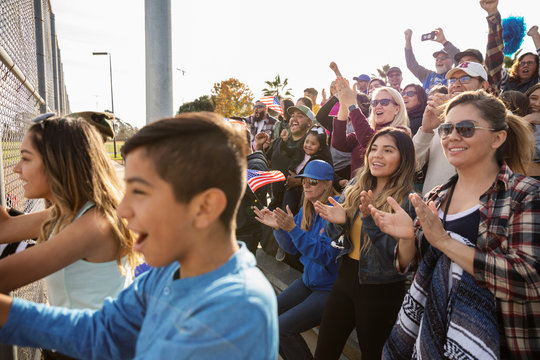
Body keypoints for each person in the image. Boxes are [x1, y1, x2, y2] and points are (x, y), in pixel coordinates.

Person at [0, 113, 279, 359]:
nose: (122, 209)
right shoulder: (167, 275)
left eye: (140, 192)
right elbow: (100, 332)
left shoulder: (236, 309)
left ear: (205, 207)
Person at [370, 91, 539, 359]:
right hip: (435, 335)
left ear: (498, 137)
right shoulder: (436, 196)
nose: (452, 137)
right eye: (446, 128)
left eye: (466, 129)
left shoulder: (526, 193)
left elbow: (528, 279)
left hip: (505, 344)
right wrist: (405, 238)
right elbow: (408, 267)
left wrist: (444, 242)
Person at [0, 116, 138, 307]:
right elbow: (4, 227)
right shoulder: (67, 212)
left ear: (57, 163)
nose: (16, 169)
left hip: (95, 336)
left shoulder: (96, 223)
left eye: (25, 158)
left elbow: (4, 277)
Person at [313, 128, 417, 360]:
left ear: (404, 158)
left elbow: (398, 262)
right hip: (345, 279)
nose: (377, 156)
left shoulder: (407, 201)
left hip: (380, 290)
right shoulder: (355, 185)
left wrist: (370, 222)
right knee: (323, 353)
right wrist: (340, 222)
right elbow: (334, 238)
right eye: (374, 149)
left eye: (388, 150)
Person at [254, 160, 339, 360]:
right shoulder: (308, 207)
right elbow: (292, 248)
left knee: (282, 328)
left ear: (327, 183)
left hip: (330, 289)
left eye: (313, 182)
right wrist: (279, 228)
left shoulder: (336, 208)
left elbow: (325, 256)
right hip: (310, 281)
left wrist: (292, 229)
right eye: (304, 181)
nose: (306, 185)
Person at [414, 61, 489, 195]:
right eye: (452, 80)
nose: (456, 84)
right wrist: (425, 130)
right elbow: (413, 166)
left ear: (484, 85)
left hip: (476, 207)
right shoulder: (439, 119)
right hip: (432, 206)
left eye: (465, 79)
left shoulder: (497, 117)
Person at [332, 77, 409, 177]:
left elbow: (369, 141)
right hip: (354, 190)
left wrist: (352, 105)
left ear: (397, 109)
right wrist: (343, 104)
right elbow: (339, 143)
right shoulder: (367, 131)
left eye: (384, 102)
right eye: (374, 103)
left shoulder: (401, 132)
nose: (378, 106)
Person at [481, 0, 540, 93]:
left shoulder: (537, 83)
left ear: (537, 67)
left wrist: (535, 34)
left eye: (530, 63)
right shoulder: (506, 82)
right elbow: (494, 64)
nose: (525, 65)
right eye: (522, 63)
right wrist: (492, 14)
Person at [283, 127, 333, 215]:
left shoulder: (320, 160)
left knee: (300, 212)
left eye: (313, 143)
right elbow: (287, 151)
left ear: (320, 147)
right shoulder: (300, 152)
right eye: (307, 142)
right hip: (291, 189)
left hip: (305, 192)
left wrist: (340, 181)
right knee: (287, 210)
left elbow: (329, 173)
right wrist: (284, 142)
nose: (308, 145)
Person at [236, 128, 270, 256]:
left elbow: (254, 191)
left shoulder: (256, 164)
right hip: (240, 228)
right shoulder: (243, 162)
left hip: (246, 231)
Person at [404, 28, 459, 92]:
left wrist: (444, 41)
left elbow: (459, 57)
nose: (439, 61)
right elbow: (411, 64)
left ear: (452, 61)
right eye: (437, 59)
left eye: (443, 58)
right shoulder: (427, 75)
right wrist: (408, 41)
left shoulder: (456, 74)